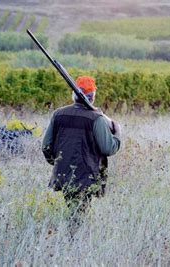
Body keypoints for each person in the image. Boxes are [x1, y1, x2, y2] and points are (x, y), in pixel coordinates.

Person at [42, 76, 121, 205]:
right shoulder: (97, 119)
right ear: (93, 96)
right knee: (78, 214)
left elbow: (46, 146)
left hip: (63, 173)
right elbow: (108, 148)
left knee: (73, 210)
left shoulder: (58, 114)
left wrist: (59, 162)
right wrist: (117, 133)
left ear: (74, 94)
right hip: (87, 177)